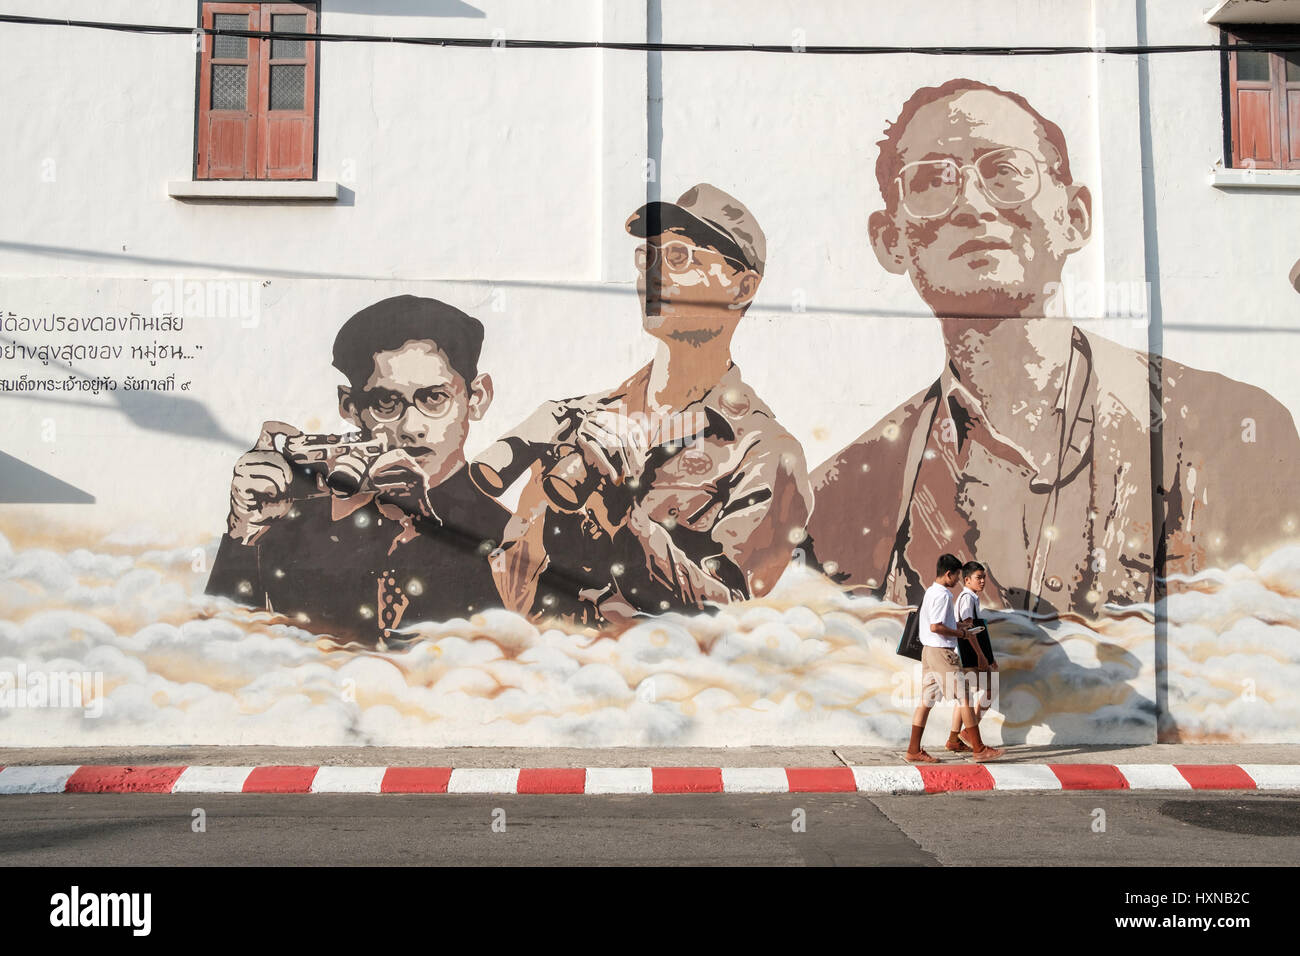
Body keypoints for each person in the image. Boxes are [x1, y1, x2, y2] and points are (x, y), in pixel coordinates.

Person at [806, 78, 1300, 618]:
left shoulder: (1232, 432)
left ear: (1076, 216)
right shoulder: (839, 498)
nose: (971, 205)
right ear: (890, 240)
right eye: (930, 181)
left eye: (1005, 172)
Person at [475, 184, 813, 628]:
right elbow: (510, 589)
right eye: (646, 258)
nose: (652, 276)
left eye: (678, 258)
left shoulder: (763, 451)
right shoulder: (580, 420)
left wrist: (627, 519)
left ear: (741, 286)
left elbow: (737, 614)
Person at [206, 295, 508, 645]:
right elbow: (218, 655)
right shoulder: (292, 527)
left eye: (434, 398)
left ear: (478, 397)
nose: (411, 427)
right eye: (386, 403)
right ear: (349, 407)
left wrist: (423, 532)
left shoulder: (513, 535)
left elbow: (494, 656)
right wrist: (244, 535)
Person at [908, 553, 1004, 763]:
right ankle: (978, 748)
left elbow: (936, 624)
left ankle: (913, 750)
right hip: (942, 652)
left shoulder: (931, 592)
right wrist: (962, 634)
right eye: (958, 576)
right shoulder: (943, 595)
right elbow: (937, 627)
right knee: (965, 699)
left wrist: (957, 626)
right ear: (949, 574)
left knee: (926, 701)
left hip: (929, 651)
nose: (958, 580)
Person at [947, 560, 995, 752]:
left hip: (968, 654)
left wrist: (989, 656)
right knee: (990, 690)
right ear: (967, 580)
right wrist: (982, 656)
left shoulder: (971, 597)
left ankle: (954, 739)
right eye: (978, 578)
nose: (982, 581)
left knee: (965, 697)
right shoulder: (967, 599)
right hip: (968, 654)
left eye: (984, 577)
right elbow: (970, 630)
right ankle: (967, 732)